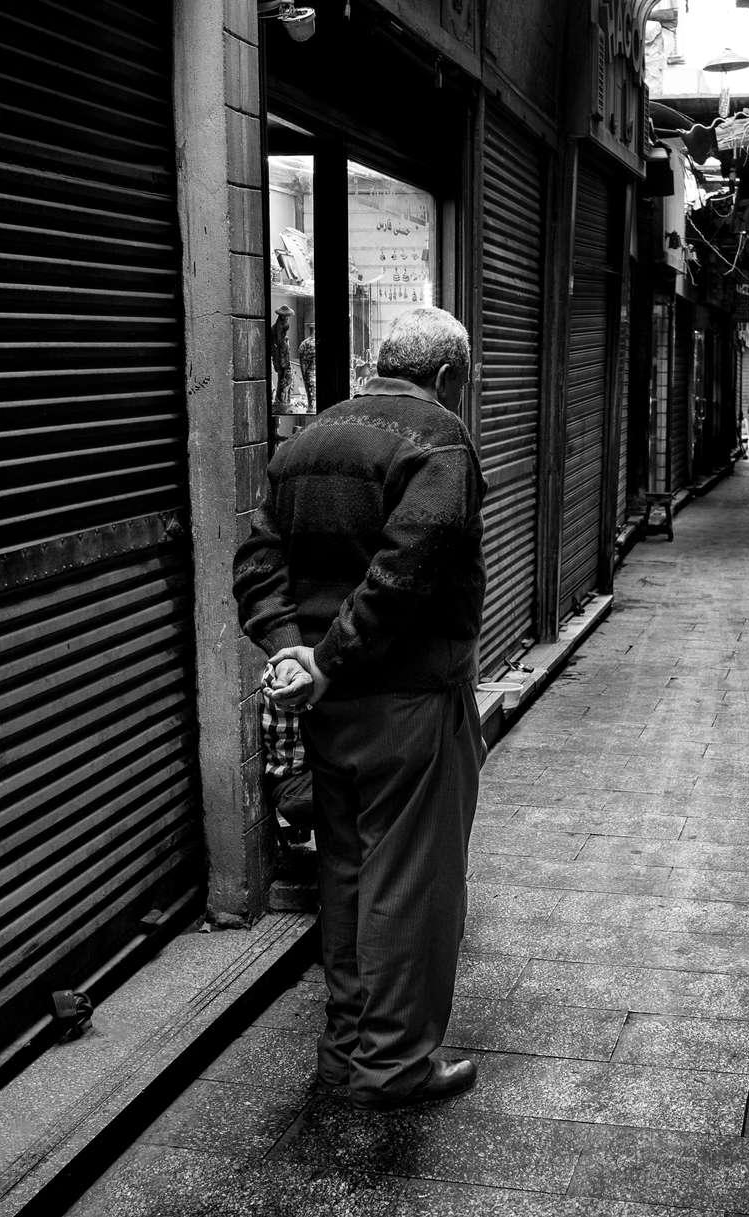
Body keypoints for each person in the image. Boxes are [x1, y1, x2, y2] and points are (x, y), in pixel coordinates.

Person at [233, 306, 486, 1110]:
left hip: (325, 707)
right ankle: (396, 1063)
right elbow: (408, 568)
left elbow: (257, 559)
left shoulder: (308, 440)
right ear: (447, 377)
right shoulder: (439, 438)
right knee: (411, 879)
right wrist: (331, 658)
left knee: (345, 872)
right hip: (406, 701)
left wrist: (291, 651)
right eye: (464, 385)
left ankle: (343, 1053)